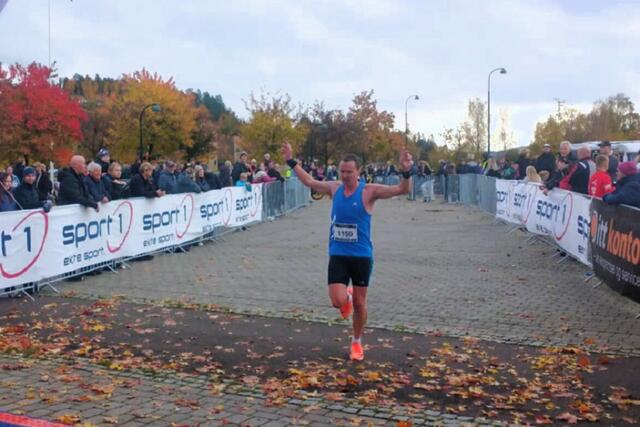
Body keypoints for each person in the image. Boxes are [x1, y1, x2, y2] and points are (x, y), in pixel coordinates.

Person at [282, 142, 413, 362]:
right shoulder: (335, 189)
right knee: (337, 301)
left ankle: (356, 341)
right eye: (342, 171)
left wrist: (406, 171)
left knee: (361, 305)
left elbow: (402, 189)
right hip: (338, 254)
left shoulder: (369, 191)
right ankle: (347, 296)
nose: (344, 176)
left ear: (358, 172)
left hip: (361, 256)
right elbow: (309, 181)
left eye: (349, 172)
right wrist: (290, 160)